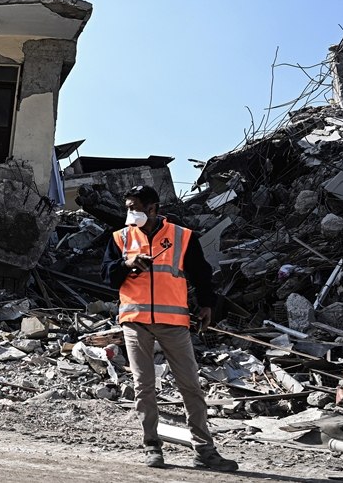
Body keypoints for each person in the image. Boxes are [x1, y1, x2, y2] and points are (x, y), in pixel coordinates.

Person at [101, 185, 238, 471]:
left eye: (133, 207)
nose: (129, 212)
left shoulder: (181, 237)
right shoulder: (120, 237)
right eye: (127, 206)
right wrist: (127, 264)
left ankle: (204, 451)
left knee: (190, 386)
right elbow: (108, 277)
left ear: (152, 209)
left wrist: (206, 305)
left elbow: (202, 274)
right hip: (136, 321)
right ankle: (152, 446)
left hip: (173, 322)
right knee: (144, 387)